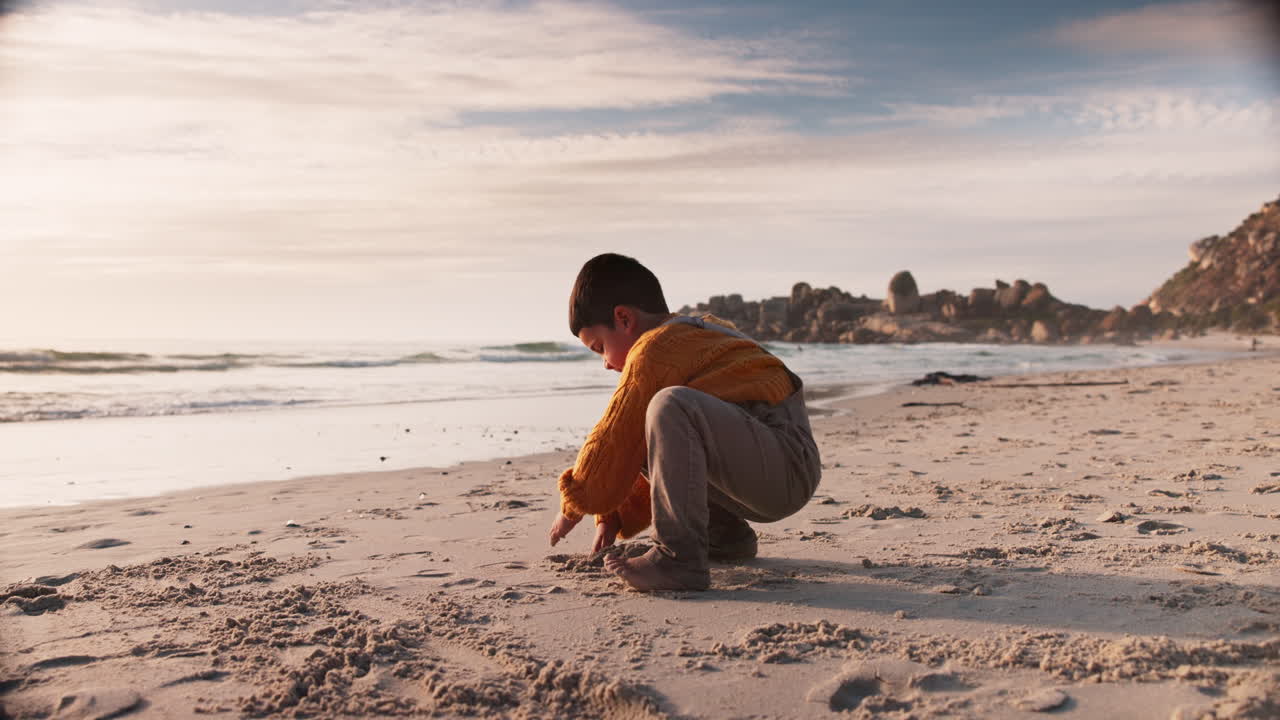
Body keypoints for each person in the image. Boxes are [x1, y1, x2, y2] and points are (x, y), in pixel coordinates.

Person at [547, 253, 822, 591]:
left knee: (669, 405)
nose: (605, 363)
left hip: (785, 463)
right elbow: (642, 446)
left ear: (624, 318)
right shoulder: (690, 335)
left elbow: (611, 437)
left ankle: (678, 560)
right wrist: (612, 515)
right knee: (651, 422)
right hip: (777, 464)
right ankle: (724, 536)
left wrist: (573, 506)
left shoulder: (654, 350)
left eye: (600, 347)